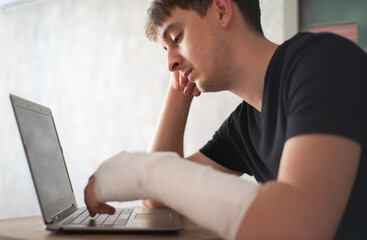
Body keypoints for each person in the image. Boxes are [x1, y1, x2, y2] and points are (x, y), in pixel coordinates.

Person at [84, 0, 367, 239]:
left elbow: (299, 223)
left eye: (177, 38)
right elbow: (160, 205)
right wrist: (178, 91)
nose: (170, 62)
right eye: (166, 50)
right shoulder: (243, 127)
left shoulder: (322, 62)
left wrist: (140, 172)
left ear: (221, 10)